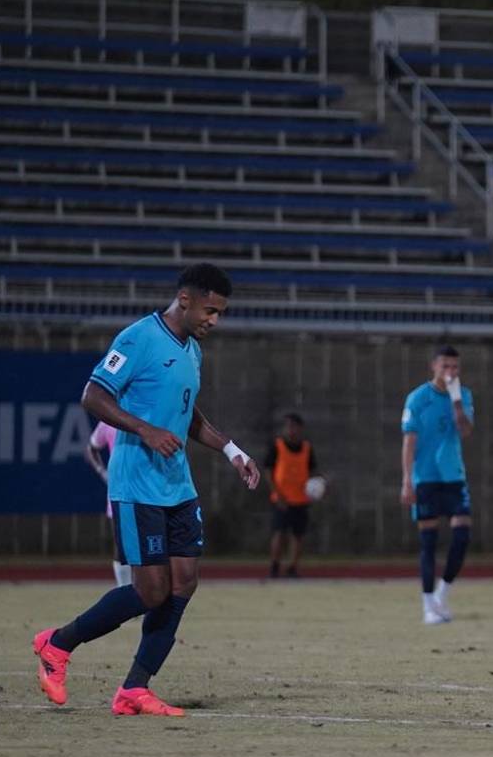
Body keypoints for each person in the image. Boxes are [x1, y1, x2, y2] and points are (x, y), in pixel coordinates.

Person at [32, 262, 260, 717]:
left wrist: (232, 450)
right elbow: (93, 396)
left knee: (185, 582)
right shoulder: (138, 338)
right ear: (186, 300)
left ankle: (134, 688)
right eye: (210, 311)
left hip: (178, 485)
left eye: (220, 313)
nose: (214, 320)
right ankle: (57, 643)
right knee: (151, 591)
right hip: (137, 484)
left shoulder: (193, 349)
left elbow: (189, 412)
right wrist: (146, 429)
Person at [400, 346, 474, 624]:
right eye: (445, 367)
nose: (451, 372)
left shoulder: (464, 396)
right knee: (428, 542)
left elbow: (466, 431)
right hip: (426, 478)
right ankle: (428, 605)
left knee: (462, 536)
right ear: (434, 366)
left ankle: (443, 594)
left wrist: (456, 402)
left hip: (454, 477)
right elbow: (409, 441)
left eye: (455, 367)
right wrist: (407, 480)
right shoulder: (418, 398)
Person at [263, 413, 318, 579]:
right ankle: (274, 566)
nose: (290, 429)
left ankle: (292, 567)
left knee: (298, 535)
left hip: (301, 498)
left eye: (293, 426)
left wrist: (319, 485)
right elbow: (268, 471)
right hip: (282, 499)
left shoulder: (307, 448)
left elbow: (313, 471)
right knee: (279, 533)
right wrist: (276, 493)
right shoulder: (277, 446)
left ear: (300, 428)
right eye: (287, 426)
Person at [85, 420, 133, 587]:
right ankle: (124, 591)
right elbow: (91, 448)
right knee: (122, 545)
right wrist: (102, 472)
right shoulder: (109, 420)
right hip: (119, 490)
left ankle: (151, 592)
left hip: (149, 489)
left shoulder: (146, 414)